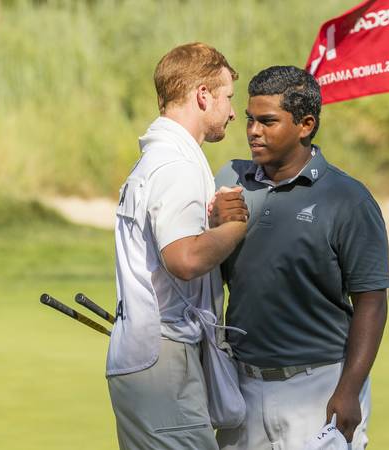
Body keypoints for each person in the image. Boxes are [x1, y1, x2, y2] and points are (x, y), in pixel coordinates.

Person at [212, 66, 389, 450]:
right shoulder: (230, 180)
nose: (253, 131)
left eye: (268, 121)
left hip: (320, 388)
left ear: (305, 124)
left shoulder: (348, 199)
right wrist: (215, 224)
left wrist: (349, 390)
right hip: (241, 388)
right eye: (249, 119)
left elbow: (372, 302)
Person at [106, 42, 250, 450]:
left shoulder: (160, 157)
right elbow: (184, 259)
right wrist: (236, 226)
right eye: (226, 98)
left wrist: (215, 226)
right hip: (162, 359)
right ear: (203, 95)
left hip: (147, 354)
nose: (232, 111)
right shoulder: (176, 164)